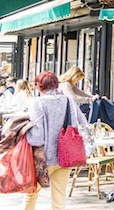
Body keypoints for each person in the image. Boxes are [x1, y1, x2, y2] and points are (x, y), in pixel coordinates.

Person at [24, 71, 89, 210]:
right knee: (59, 199)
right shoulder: (68, 101)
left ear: (39, 86)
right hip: (66, 156)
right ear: (56, 84)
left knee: (31, 195)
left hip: (44, 159)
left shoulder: (37, 103)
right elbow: (82, 122)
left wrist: (26, 131)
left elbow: (37, 137)